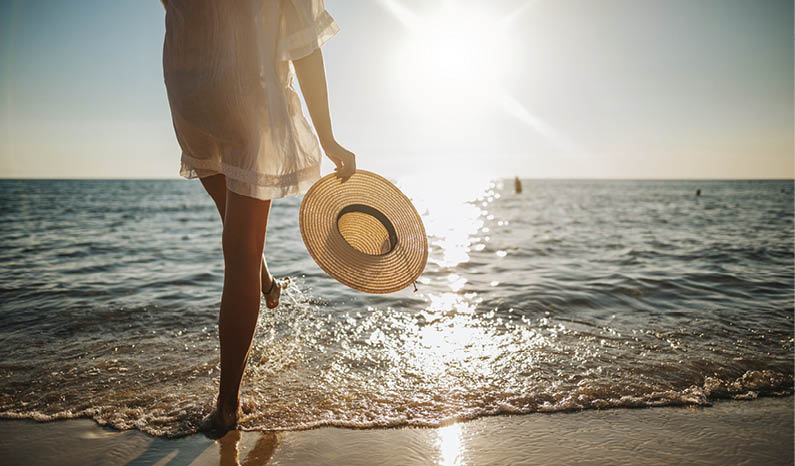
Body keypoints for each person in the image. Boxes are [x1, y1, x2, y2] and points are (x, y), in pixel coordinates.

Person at [161, 0, 355, 430]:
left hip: (188, 89)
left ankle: (264, 278)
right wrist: (328, 137)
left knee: (232, 222)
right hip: (246, 94)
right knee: (242, 251)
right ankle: (228, 406)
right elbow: (304, 45)